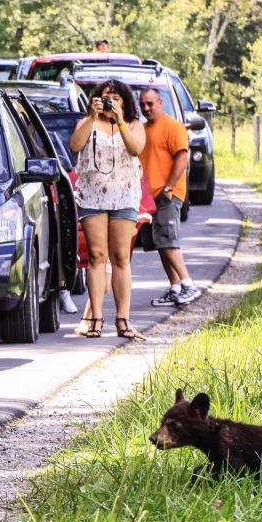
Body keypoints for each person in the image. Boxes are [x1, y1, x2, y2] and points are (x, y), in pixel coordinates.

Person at [68, 78, 146, 340]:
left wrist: (120, 119)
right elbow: (75, 145)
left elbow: (136, 149)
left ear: (125, 100)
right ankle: (95, 318)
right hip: (93, 196)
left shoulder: (134, 124)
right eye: (106, 96)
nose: (111, 101)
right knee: (97, 255)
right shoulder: (88, 122)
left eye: (116, 97)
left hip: (124, 197)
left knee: (121, 256)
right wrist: (92, 115)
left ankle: (123, 319)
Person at [139, 87, 201, 307]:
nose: (146, 108)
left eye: (150, 103)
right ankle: (175, 287)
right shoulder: (143, 129)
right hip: (149, 197)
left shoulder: (172, 127)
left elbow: (182, 158)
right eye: (143, 104)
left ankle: (188, 284)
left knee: (168, 240)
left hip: (168, 194)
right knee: (159, 242)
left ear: (160, 102)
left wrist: (169, 187)